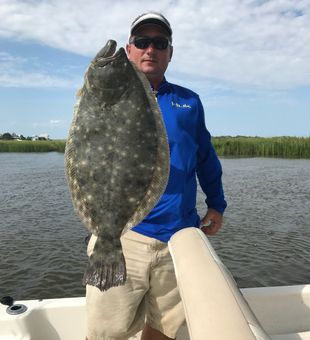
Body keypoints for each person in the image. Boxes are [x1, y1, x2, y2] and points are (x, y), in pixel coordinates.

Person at [86, 11, 227, 340]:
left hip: (180, 238)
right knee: (106, 331)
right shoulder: (107, 97)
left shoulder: (189, 102)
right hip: (123, 235)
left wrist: (217, 204)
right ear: (129, 49)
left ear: (170, 52)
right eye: (142, 42)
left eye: (160, 43)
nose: (151, 49)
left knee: (165, 327)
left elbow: (205, 157)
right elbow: (88, 154)